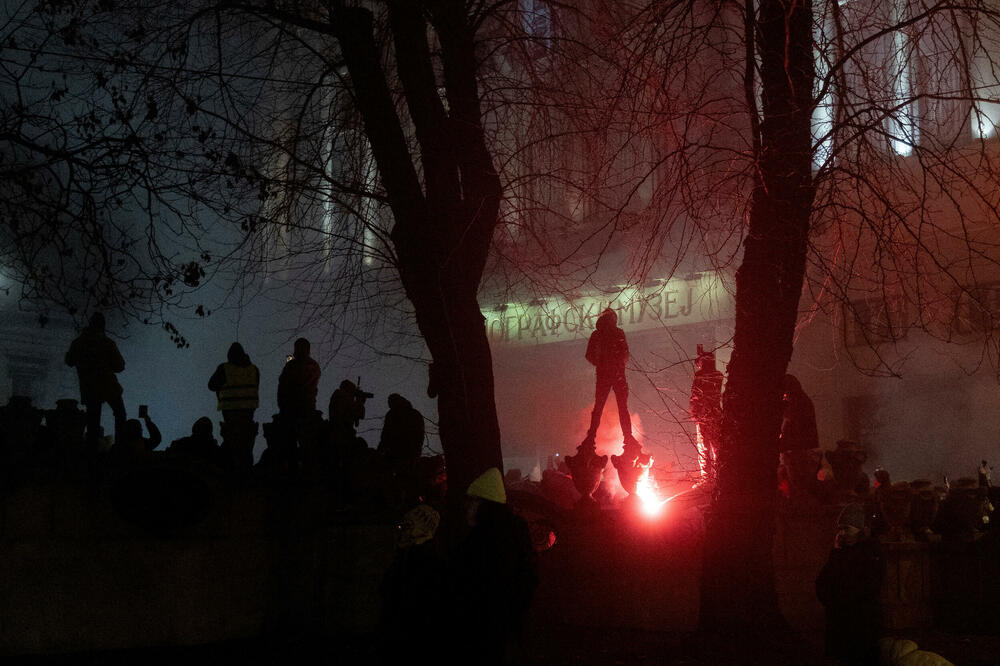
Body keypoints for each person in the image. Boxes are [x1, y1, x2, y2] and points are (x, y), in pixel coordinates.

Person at [447, 468, 537, 665]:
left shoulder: (480, 542)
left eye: (472, 501)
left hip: (483, 630)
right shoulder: (515, 533)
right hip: (505, 627)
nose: (466, 507)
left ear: (486, 505)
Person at [815, 503, 884, 665]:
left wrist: (839, 599)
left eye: (846, 528)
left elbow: (869, 585)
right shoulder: (840, 551)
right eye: (839, 529)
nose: (842, 533)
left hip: (861, 623)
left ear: (859, 528)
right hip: (841, 620)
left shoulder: (871, 551)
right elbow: (823, 580)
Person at [64, 312, 127, 450]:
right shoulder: (107, 343)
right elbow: (120, 366)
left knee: (93, 421)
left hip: (89, 387)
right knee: (120, 414)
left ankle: (91, 451)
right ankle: (120, 447)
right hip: (108, 385)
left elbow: (69, 361)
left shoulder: (79, 343)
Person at [584, 308, 633, 446]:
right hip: (618, 375)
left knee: (598, 408)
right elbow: (625, 353)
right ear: (613, 318)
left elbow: (589, 355)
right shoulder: (618, 333)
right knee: (622, 407)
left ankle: (591, 436)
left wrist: (600, 363)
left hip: (603, 375)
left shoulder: (597, 334)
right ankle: (628, 437)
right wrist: (617, 364)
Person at [208, 342, 260, 470]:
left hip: (231, 416)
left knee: (231, 450)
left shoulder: (224, 368)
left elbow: (211, 385)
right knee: (246, 450)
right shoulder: (254, 370)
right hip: (248, 416)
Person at [275, 337, 321, 469]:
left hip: (292, 410)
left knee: (291, 446)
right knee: (306, 446)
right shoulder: (313, 366)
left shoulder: (292, 366)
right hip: (306, 410)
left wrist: (282, 405)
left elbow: (284, 385)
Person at [689, 344, 724, 484]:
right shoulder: (718, 375)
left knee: (704, 447)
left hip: (703, 416)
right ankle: (720, 476)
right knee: (717, 446)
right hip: (716, 415)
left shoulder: (700, 376)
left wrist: (694, 413)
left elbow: (695, 395)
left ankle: (707, 480)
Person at [779, 374, 819, 452]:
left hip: (798, 450)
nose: (784, 397)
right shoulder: (801, 400)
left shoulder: (799, 403)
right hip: (801, 448)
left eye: (785, 394)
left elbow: (790, 422)